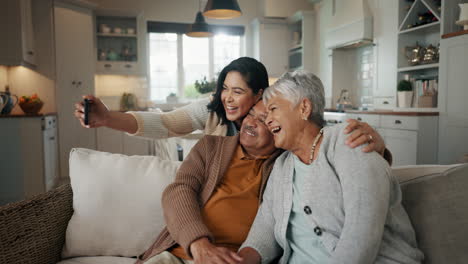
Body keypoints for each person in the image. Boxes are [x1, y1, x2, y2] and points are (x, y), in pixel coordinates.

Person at [238, 70, 424, 264]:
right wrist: (240, 259)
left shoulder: (349, 141)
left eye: (273, 109)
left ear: (304, 108)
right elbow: (264, 229)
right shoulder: (282, 166)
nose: (267, 120)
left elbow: (361, 238)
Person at [74, 57, 387, 155]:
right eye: (224, 88)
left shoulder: (276, 119)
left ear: (260, 93)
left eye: (237, 91)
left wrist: (376, 144)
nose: (227, 98)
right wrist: (107, 119)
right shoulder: (212, 111)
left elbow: (316, 139)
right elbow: (167, 124)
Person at [136, 101, 282, 264]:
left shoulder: (283, 167)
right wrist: (199, 245)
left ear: (278, 130)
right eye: (250, 114)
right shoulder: (210, 146)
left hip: (232, 259)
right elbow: (179, 191)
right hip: (182, 253)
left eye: (262, 120)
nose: (250, 123)